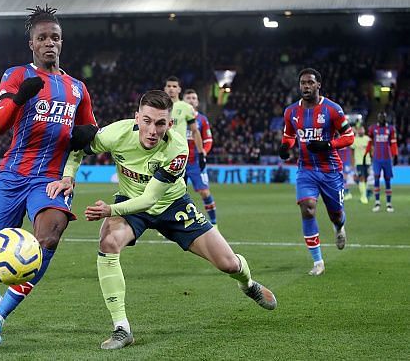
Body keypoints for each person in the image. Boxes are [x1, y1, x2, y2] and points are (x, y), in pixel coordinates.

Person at [48, 90, 276, 350]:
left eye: (160, 123)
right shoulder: (116, 134)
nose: (152, 130)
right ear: (137, 118)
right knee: (108, 242)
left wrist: (110, 210)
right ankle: (122, 328)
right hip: (130, 202)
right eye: (147, 121)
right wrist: (68, 176)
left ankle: (248, 284)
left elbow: (150, 200)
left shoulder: (177, 149)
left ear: (170, 124)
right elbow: (78, 148)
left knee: (229, 264)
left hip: (172, 205)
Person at [0, 5, 97, 347]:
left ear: (61, 42)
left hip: (51, 180)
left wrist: (84, 144)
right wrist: (18, 98)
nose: (49, 43)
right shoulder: (15, 75)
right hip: (13, 175)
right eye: (42, 38)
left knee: (48, 238)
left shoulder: (76, 89)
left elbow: (89, 135)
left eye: (54, 37)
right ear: (32, 44)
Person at [279, 68, 355, 276]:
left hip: (330, 170)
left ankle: (339, 227)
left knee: (336, 214)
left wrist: (328, 145)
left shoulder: (332, 109)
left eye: (310, 83)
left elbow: (349, 137)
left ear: (318, 85)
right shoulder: (291, 112)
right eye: (303, 83)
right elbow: (289, 136)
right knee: (308, 208)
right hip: (306, 169)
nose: (306, 86)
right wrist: (285, 147)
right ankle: (318, 261)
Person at [182, 89, 217, 224]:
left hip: (196, 162)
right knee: (175, 195)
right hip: (180, 162)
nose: (191, 100)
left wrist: (204, 153)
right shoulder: (177, 118)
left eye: (193, 98)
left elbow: (208, 140)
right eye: (188, 98)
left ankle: (214, 223)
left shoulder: (202, 119)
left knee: (204, 192)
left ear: (197, 102)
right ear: (183, 101)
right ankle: (172, 225)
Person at [164, 76, 206, 171]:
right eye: (169, 86)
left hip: (179, 151)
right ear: (165, 89)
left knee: (179, 183)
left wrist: (200, 153)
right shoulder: (158, 106)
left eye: (174, 86)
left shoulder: (186, 107)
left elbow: (195, 131)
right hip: (161, 151)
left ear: (179, 89)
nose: (171, 89)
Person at [366, 112, 398, 213]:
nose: (382, 119)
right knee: (376, 179)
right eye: (380, 117)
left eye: (383, 117)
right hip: (377, 158)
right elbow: (370, 142)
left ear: (385, 118)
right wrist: (366, 153)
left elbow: (393, 143)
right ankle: (377, 202)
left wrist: (395, 155)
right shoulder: (373, 128)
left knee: (387, 180)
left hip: (387, 158)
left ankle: (389, 204)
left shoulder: (391, 129)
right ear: (378, 118)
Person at [350, 125, 371, 204]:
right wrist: (352, 163)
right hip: (359, 162)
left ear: (364, 130)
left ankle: (365, 195)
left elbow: (371, 150)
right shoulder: (354, 140)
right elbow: (352, 152)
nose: (361, 131)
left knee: (365, 179)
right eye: (360, 129)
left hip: (367, 162)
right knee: (361, 178)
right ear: (358, 131)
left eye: (362, 129)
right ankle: (363, 197)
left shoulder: (368, 139)